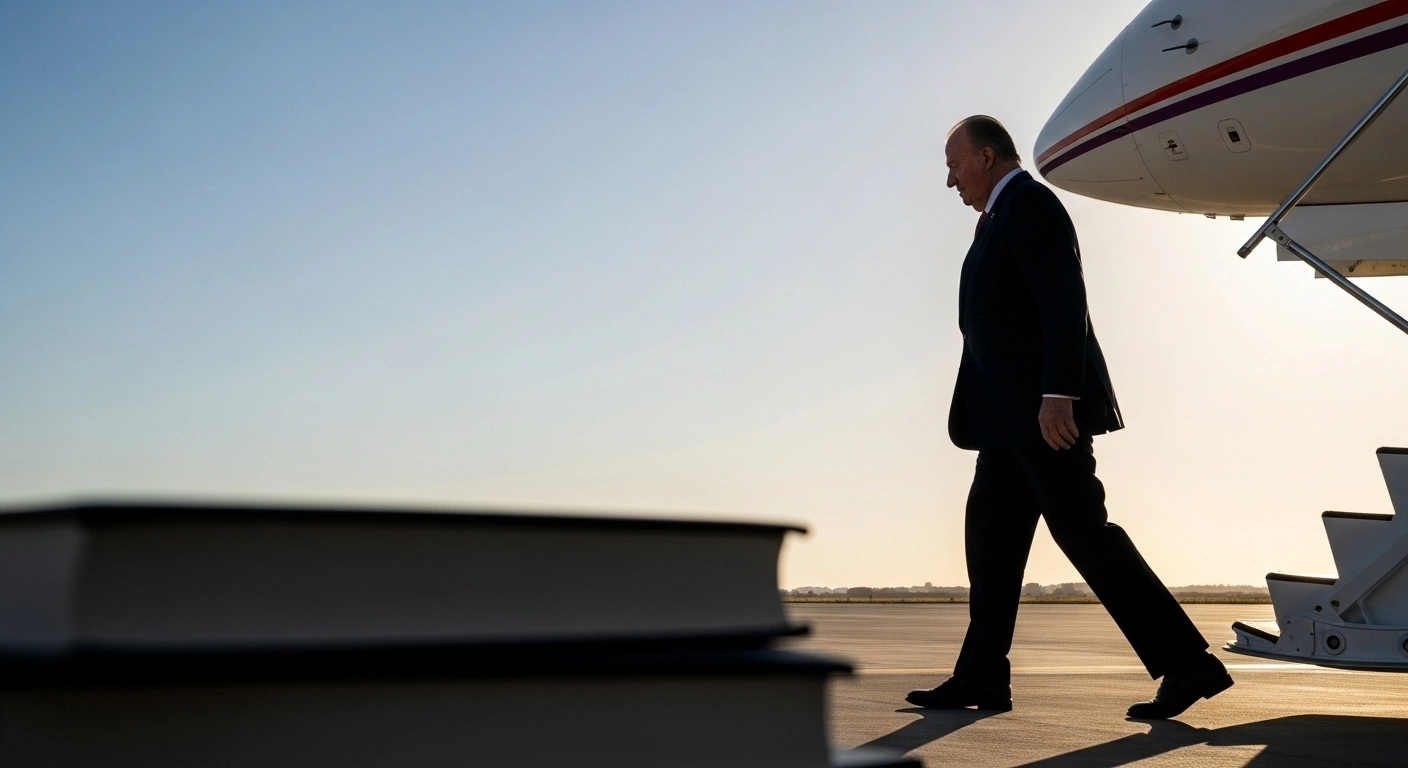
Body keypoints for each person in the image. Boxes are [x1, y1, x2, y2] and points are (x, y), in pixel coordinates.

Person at [905, 116, 1232, 719]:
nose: (950, 181)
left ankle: (1188, 664)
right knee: (990, 548)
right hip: (1004, 426)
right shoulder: (995, 220)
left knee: (1087, 536)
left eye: (954, 166)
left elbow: (1064, 302)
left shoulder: (1030, 205)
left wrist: (1059, 393)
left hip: (1040, 417)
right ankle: (981, 677)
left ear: (984, 156)